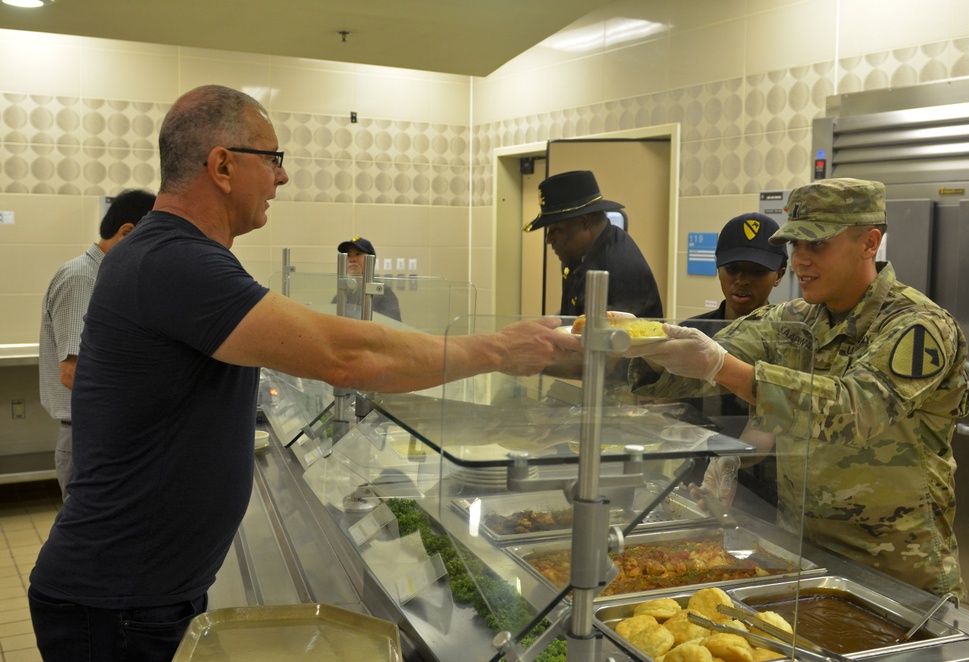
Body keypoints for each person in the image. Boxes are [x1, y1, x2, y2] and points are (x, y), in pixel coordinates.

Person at [28, 84, 578, 662]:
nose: (282, 178)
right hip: (117, 606)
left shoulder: (171, 254)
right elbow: (345, 356)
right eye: (272, 159)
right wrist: (497, 349)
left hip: (140, 594)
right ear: (221, 165)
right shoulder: (174, 259)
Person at [627, 178, 968, 599]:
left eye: (817, 245)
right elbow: (700, 356)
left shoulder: (919, 326)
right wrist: (631, 342)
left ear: (869, 243)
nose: (802, 259)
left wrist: (726, 368)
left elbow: (857, 408)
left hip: (900, 578)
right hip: (803, 562)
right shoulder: (793, 321)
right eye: (794, 245)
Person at [38, 188, 156, 501]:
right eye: (149, 244)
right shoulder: (81, 278)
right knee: (87, 542)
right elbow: (71, 372)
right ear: (126, 232)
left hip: (100, 430)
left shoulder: (105, 277)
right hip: (87, 434)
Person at [680, 212, 787, 506]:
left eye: (756, 271)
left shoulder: (788, 340)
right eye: (733, 268)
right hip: (691, 478)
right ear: (717, 268)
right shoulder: (693, 333)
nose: (741, 280)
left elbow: (768, 423)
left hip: (760, 489)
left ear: (779, 274)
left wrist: (728, 463)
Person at [524, 170, 662, 319]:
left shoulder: (619, 267)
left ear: (585, 222)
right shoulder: (579, 253)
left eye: (556, 230)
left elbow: (609, 336)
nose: (548, 240)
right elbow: (573, 317)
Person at [331, 236, 402, 321]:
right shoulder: (343, 294)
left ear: (372, 260)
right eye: (348, 255)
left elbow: (391, 327)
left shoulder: (383, 293)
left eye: (358, 254)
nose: (352, 260)